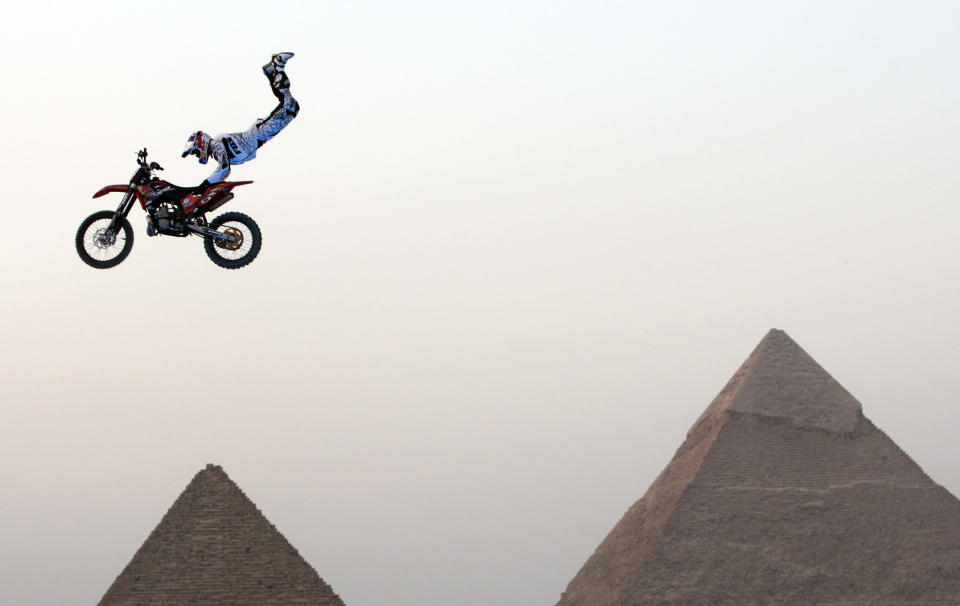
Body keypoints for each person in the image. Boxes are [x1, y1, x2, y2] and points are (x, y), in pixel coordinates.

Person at [181, 52, 300, 188]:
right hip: (259, 136)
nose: (197, 156)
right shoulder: (217, 148)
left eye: (196, 152)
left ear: (200, 143)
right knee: (289, 106)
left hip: (258, 134)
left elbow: (224, 169)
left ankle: (277, 66)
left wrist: (204, 185)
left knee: (290, 107)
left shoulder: (216, 144)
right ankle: (271, 71)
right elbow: (224, 170)